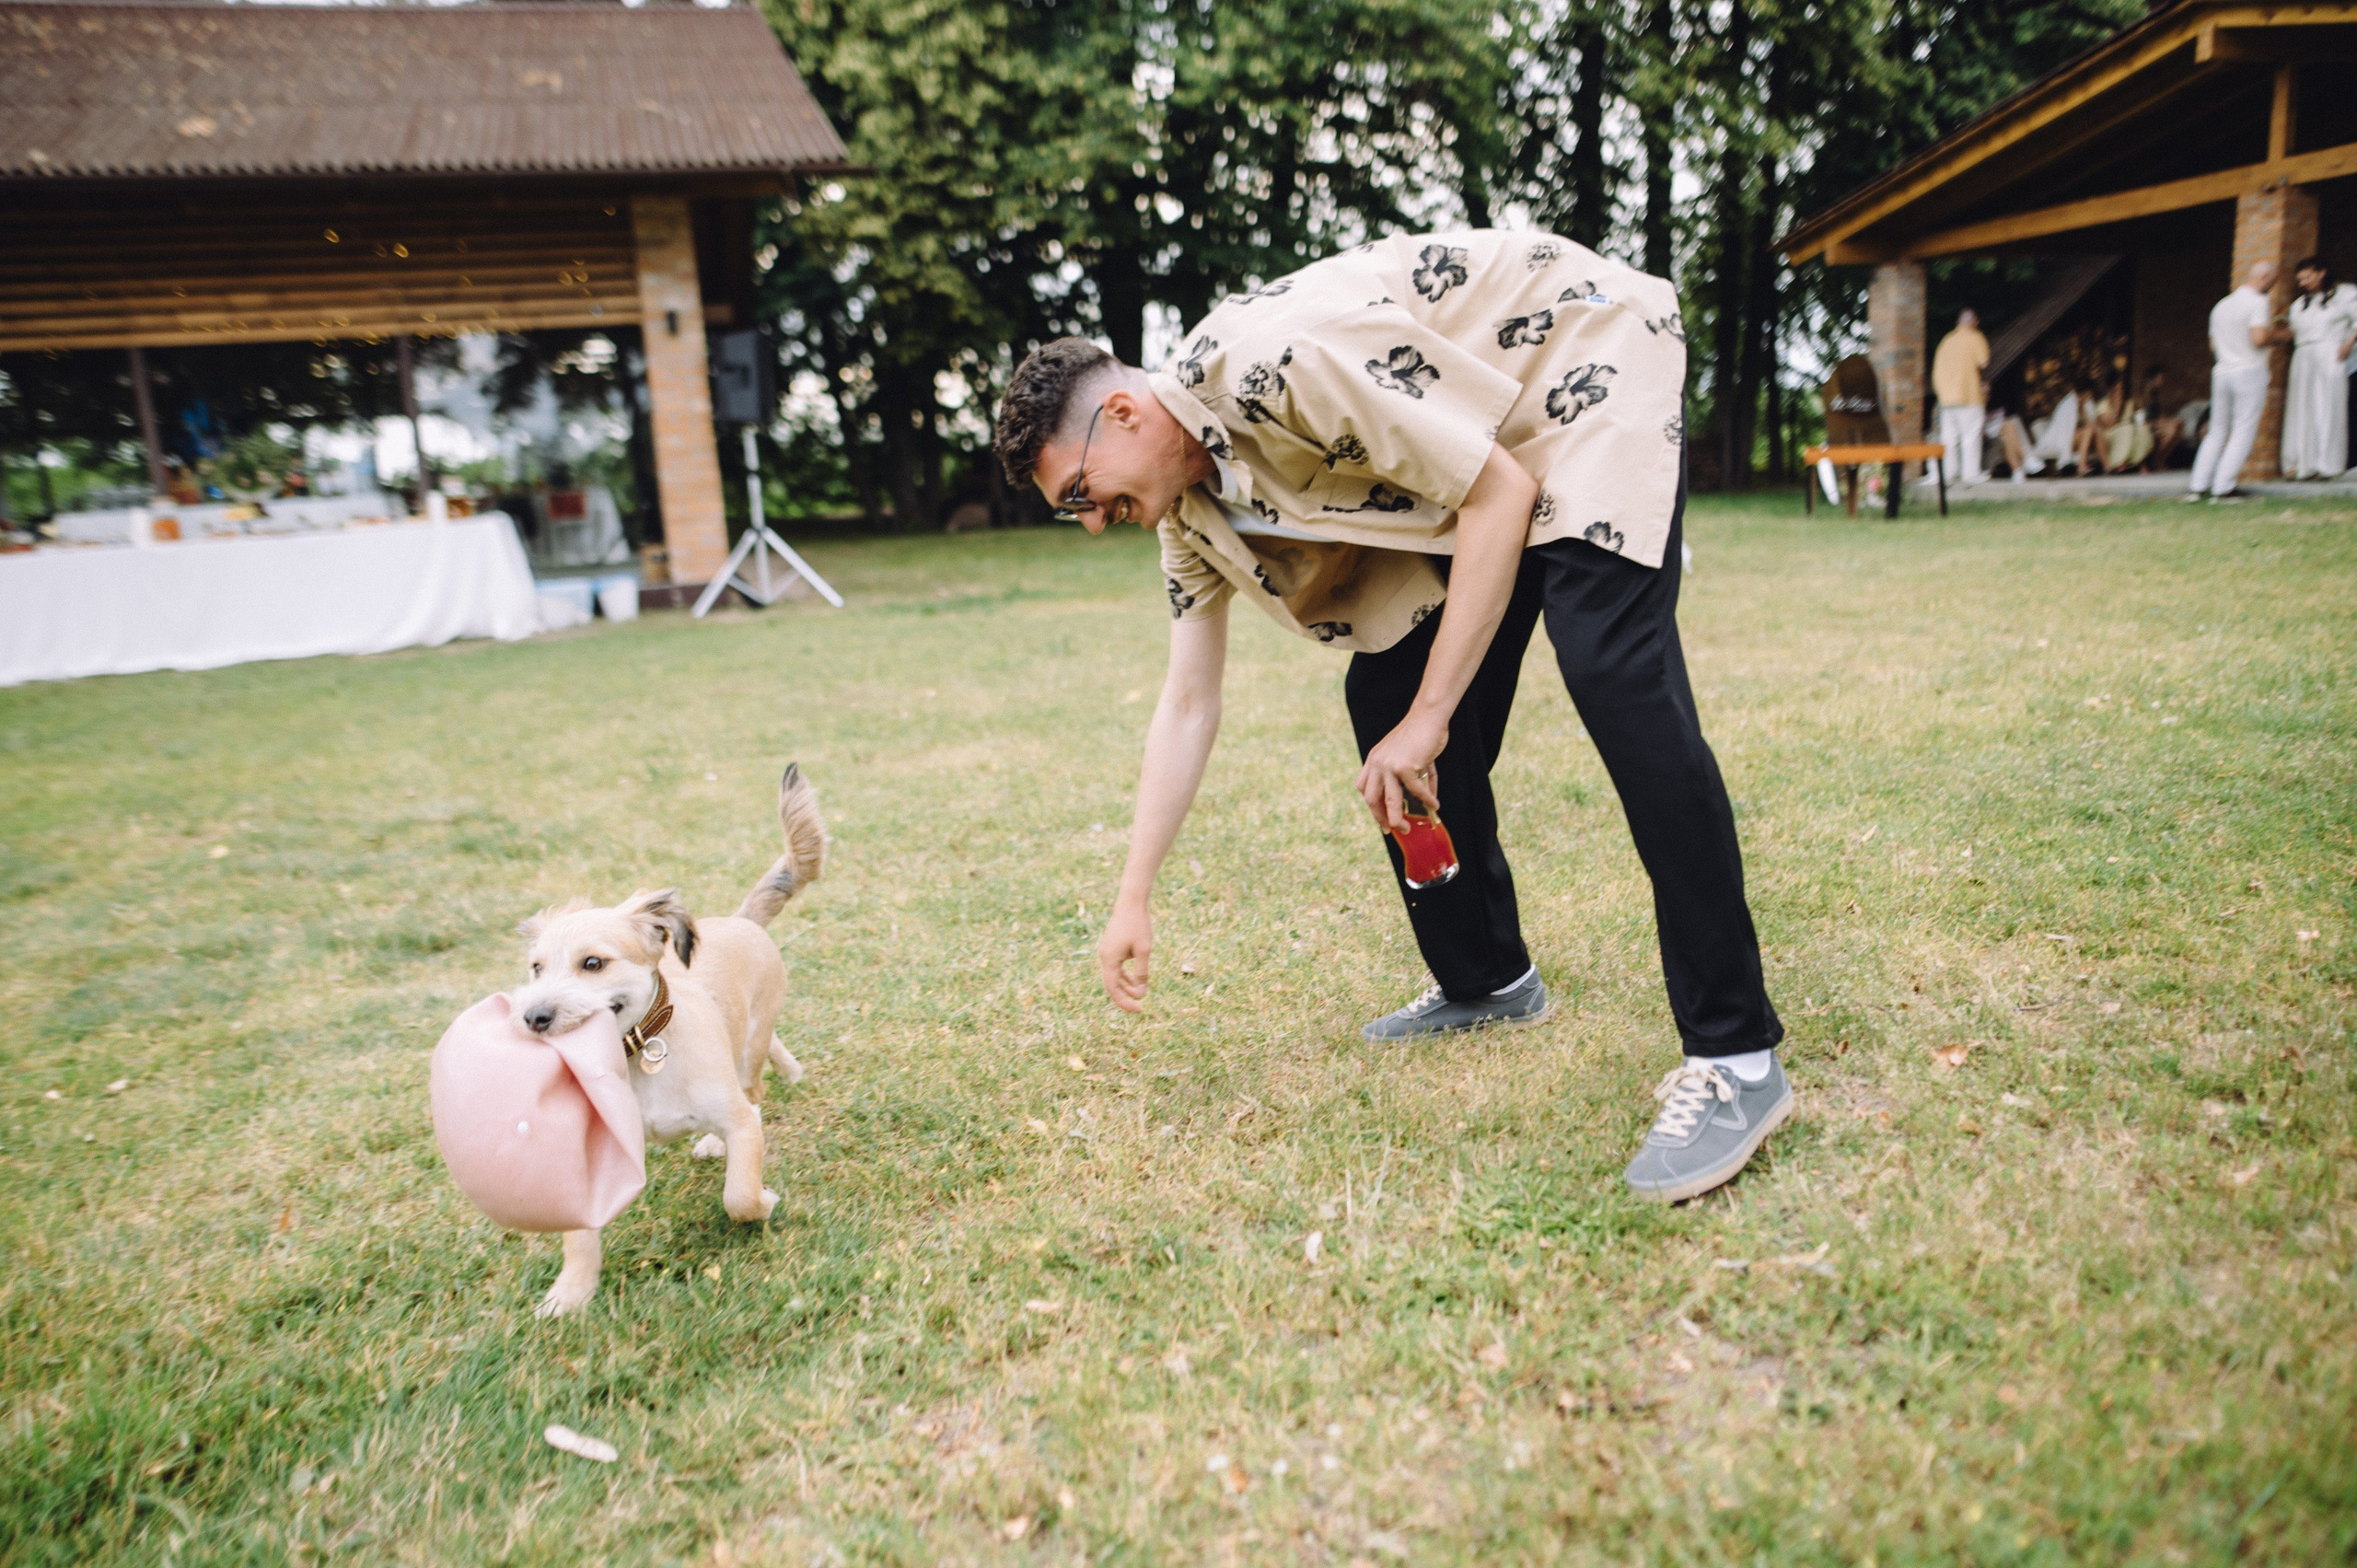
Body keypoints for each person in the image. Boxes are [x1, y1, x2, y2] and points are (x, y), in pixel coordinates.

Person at [993, 231, 1790, 1203]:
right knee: (1382, 694)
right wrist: (1133, 892)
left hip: (1581, 358)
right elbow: (1187, 701)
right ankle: (1487, 978)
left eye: (1079, 490)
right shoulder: (1188, 517)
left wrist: (1436, 716)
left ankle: (1737, 1057)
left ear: (1119, 412)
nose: (1087, 519)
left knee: (1609, 666)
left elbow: (1500, 492)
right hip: (1488, 454)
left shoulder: (1277, 364)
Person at [2186, 260, 2281, 501]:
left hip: (2222, 371)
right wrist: (2280, 335)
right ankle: (2224, 487)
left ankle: (2198, 486)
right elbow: (2259, 338)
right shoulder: (2258, 302)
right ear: (2265, 278)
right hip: (2248, 370)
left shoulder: (2221, 306)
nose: (2273, 284)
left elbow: (2212, 345)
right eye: (2274, 280)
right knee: (2243, 429)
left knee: (2217, 430)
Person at [2282, 256, 2357, 479]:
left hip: (2330, 352)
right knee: (2301, 406)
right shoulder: (2299, 306)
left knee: (2327, 406)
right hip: (2303, 355)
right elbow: (2293, 332)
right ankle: (2299, 464)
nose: (2303, 283)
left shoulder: (2345, 295)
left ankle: (2327, 464)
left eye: (2307, 277)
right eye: (2300, 280)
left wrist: (2348, 342)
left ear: (2321, 273)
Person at [1930, 308, 1990, 485]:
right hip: (1969, 395)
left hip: (1946, 398)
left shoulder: (1946, 341)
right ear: (1975, 322)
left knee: (1949, 438)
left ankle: (1948, 474)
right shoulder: (1975, 337)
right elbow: (1983, 363)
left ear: (1958, 323)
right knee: (1970, 436)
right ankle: (1970, 474)